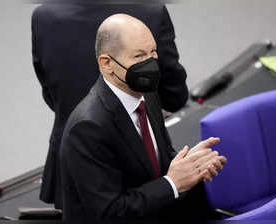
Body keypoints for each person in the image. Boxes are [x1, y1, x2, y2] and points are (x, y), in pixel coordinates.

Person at [60, 14, 227, 224]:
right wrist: (173, 183)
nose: (151, 65)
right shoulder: (88, 127)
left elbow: (159, 158)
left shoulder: (147, 93)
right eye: (139, 57)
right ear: (107, 64)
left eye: (153, 52)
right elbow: (110, 212)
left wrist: (190, 165)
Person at [31, 3, 188, 209]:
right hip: (143, 178)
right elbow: (174, 97)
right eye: (140, 56)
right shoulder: (151, 12)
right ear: (105, 63)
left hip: (71, 170)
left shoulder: (44, 15)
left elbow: (50, 93)